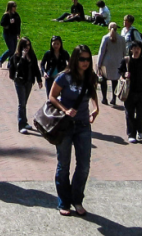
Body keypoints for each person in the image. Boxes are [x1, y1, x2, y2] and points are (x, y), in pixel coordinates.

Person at [48, 45, 100, 216]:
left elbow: (92, 94)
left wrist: (96, 108)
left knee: (84, 165)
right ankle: (64, 202)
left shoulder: (90, 76)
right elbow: (52, 96)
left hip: (84, 126)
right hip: (65, 126)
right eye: (82, 59)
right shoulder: (64, 77)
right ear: (75, 59)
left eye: (88, 59)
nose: (85, 62)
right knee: (64, 165)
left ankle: (77, 199)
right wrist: (65, 110)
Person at [118, 40, 142, 143]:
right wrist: (124, 74)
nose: (137, 50)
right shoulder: (126, 60)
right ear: (131, 49)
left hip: (141, 92)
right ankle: (131, 134)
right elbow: (120, 70)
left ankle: (140, 129)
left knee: (141, 113)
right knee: (129, 114)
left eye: (138, 48)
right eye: (135, 48)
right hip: (129, 92)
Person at [8, 37, 41, 133]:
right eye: (25, 45)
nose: (27, 47)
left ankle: (24, 122)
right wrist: (23, 57)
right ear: (21, 46)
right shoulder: (16, 56)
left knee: (24, 103)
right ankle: (21, 125)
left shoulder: (32, 55)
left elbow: (35, 67)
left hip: (29, 81)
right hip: (20, 82)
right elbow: (18, 67)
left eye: (29, 45)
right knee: (21, 104)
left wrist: (39, 80)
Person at [96, 22, 125, 105]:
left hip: (106, 63)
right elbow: (124, 52)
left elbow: (101, 52)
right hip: (117, 63)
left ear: (108, 29)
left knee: (103, 80)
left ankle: (104, 98)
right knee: (115, 81)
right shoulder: (122, 39)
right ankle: (113, 99)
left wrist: (98, 64)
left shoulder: (105, 38)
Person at [0, 1, 21, 68]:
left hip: (14, 34)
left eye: (15, 6)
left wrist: (18, 33)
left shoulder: (16, 15)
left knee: (13, 50)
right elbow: (2, 23)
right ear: (10, 7)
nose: (15, 7)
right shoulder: (6, 15)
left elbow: (18, 24)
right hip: (8, 34)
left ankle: (10, 64)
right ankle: (1, 59)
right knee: (11, 49)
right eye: (14, 6)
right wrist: (8, 24)